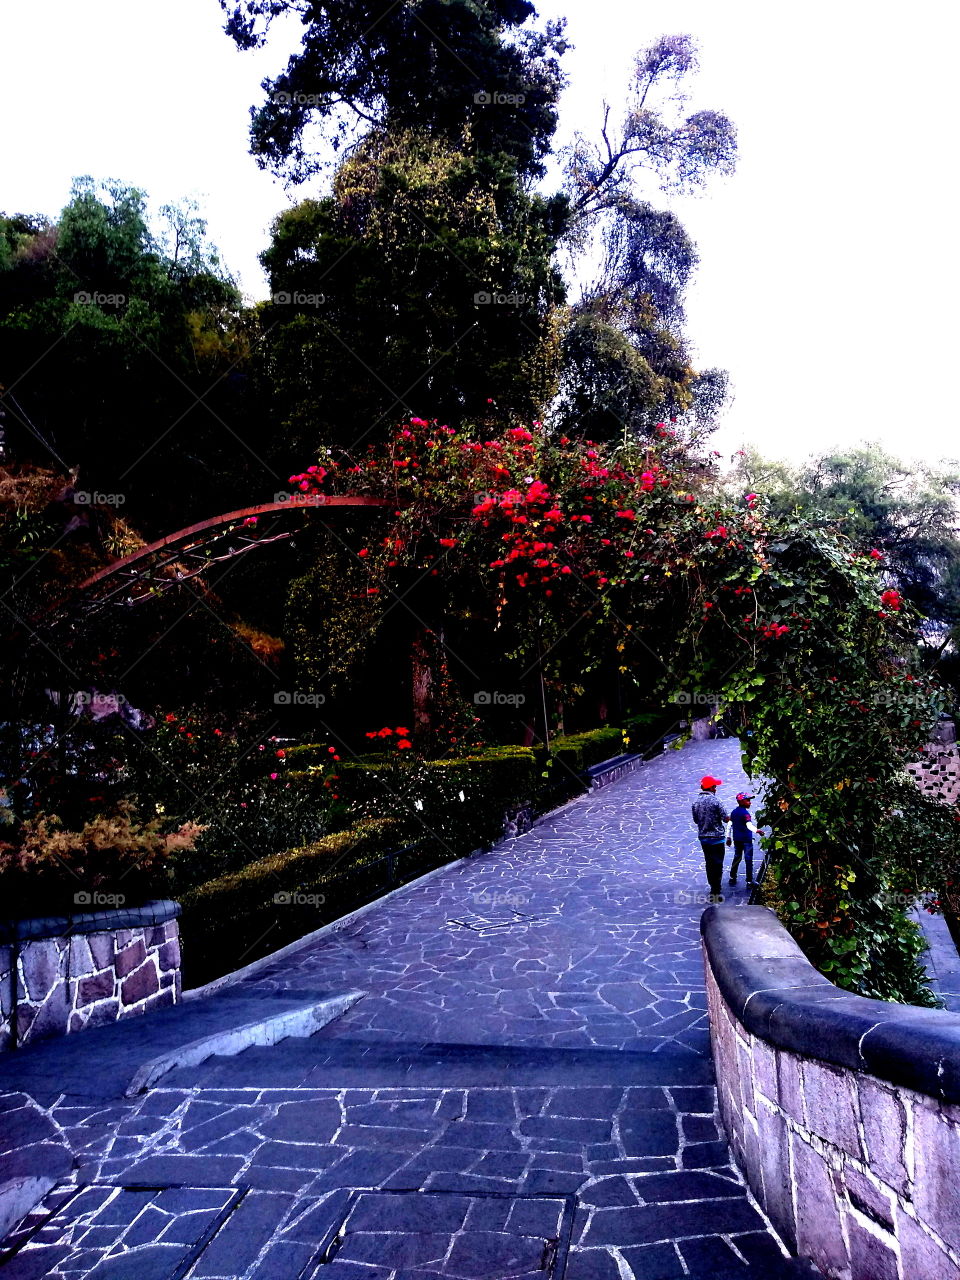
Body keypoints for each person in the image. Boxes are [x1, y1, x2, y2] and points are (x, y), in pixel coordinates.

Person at [692, 775, 730, 901]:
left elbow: (696, 820)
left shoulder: (695, 802)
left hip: (704, 838)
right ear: (712, 788)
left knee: (709, 863)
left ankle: (712, 886)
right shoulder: (716, 801)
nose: (716, 789)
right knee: (718, 863)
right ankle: (716, 889)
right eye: (715, 786)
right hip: (717, 838)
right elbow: (725, 818)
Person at [728, 792, 758, 886]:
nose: (750, 802)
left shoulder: (733, 812)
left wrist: (728, 837)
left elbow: (729, 825)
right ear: (741, 802)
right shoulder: (746, 814)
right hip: (746, 840)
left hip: (737, 839)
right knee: (748, 860)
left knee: (737, 857)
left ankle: (732, 876)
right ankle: (749, 880)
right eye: (748, 800)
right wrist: (757, 831)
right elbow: (749, 825)